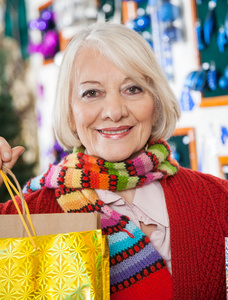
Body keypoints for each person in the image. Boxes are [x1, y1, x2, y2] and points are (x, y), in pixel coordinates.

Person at [0, 22, 227, 299]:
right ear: (70, 113)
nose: (114, 111)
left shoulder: (218, 200)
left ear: (155, 102)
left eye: (132, 89)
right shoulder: (27, 219)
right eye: (91, 93)